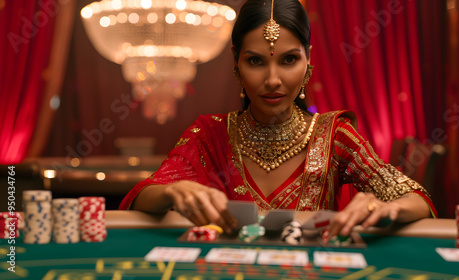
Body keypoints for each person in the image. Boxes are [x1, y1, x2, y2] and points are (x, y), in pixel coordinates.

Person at [119, 0, 437, 238]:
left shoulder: (334, 136)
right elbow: (146, 194)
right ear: (236, 62)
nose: (273, 80)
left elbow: (415, 198)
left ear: (308, 61)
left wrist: (379, 207)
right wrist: (175, 191)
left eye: (288, 60)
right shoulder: (210, 134)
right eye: (256, 61)